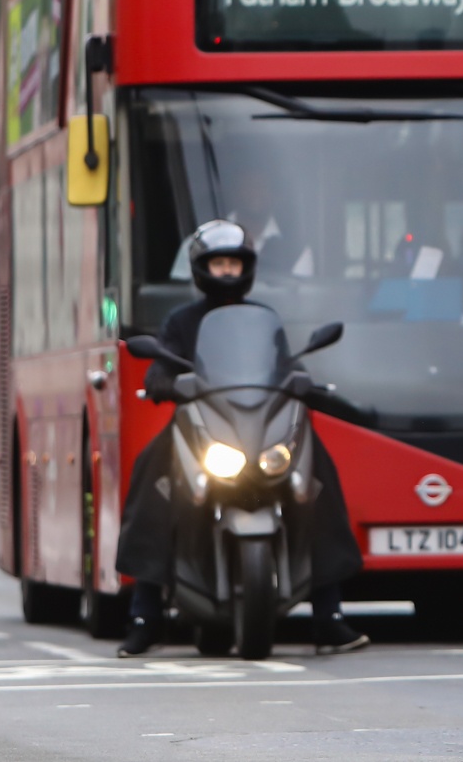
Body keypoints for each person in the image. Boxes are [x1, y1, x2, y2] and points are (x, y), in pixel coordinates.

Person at [115, 220, 366, 657]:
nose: (227, 271)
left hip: (261, 428)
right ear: (200, 268)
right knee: (150, 478)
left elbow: (282, 367)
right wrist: (163, 381)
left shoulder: (264, 322)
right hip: (204, 428)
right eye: (218, 263)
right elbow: (161, 368)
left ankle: (329, 615)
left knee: (318, 477)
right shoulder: (180, 322)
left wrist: (302, 379)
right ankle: (145, 614)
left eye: (233, 263)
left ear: (246, 268)